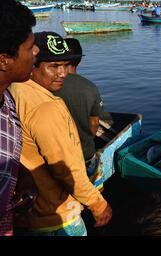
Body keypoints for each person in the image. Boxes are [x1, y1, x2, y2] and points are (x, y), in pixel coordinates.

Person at [10, 31, 112, 236]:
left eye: (65, 65)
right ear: (33, 65)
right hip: (55, 216)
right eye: (54, 66)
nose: (63, 73)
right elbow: (67, 170)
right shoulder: (46, 108)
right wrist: (98, 204)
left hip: (25, 212)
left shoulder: (14, 89)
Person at [0, 0, 40, 236]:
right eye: (29, 47)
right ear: (4, 60)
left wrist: (21, 176)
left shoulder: (7, 100)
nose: (36, 51)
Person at [53, 38, 112, 190]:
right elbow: (93, 126)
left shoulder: (47, 85)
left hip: (57, 157)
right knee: (93, 192)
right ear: (79, 61)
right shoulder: (89, 87)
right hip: (84, 154)